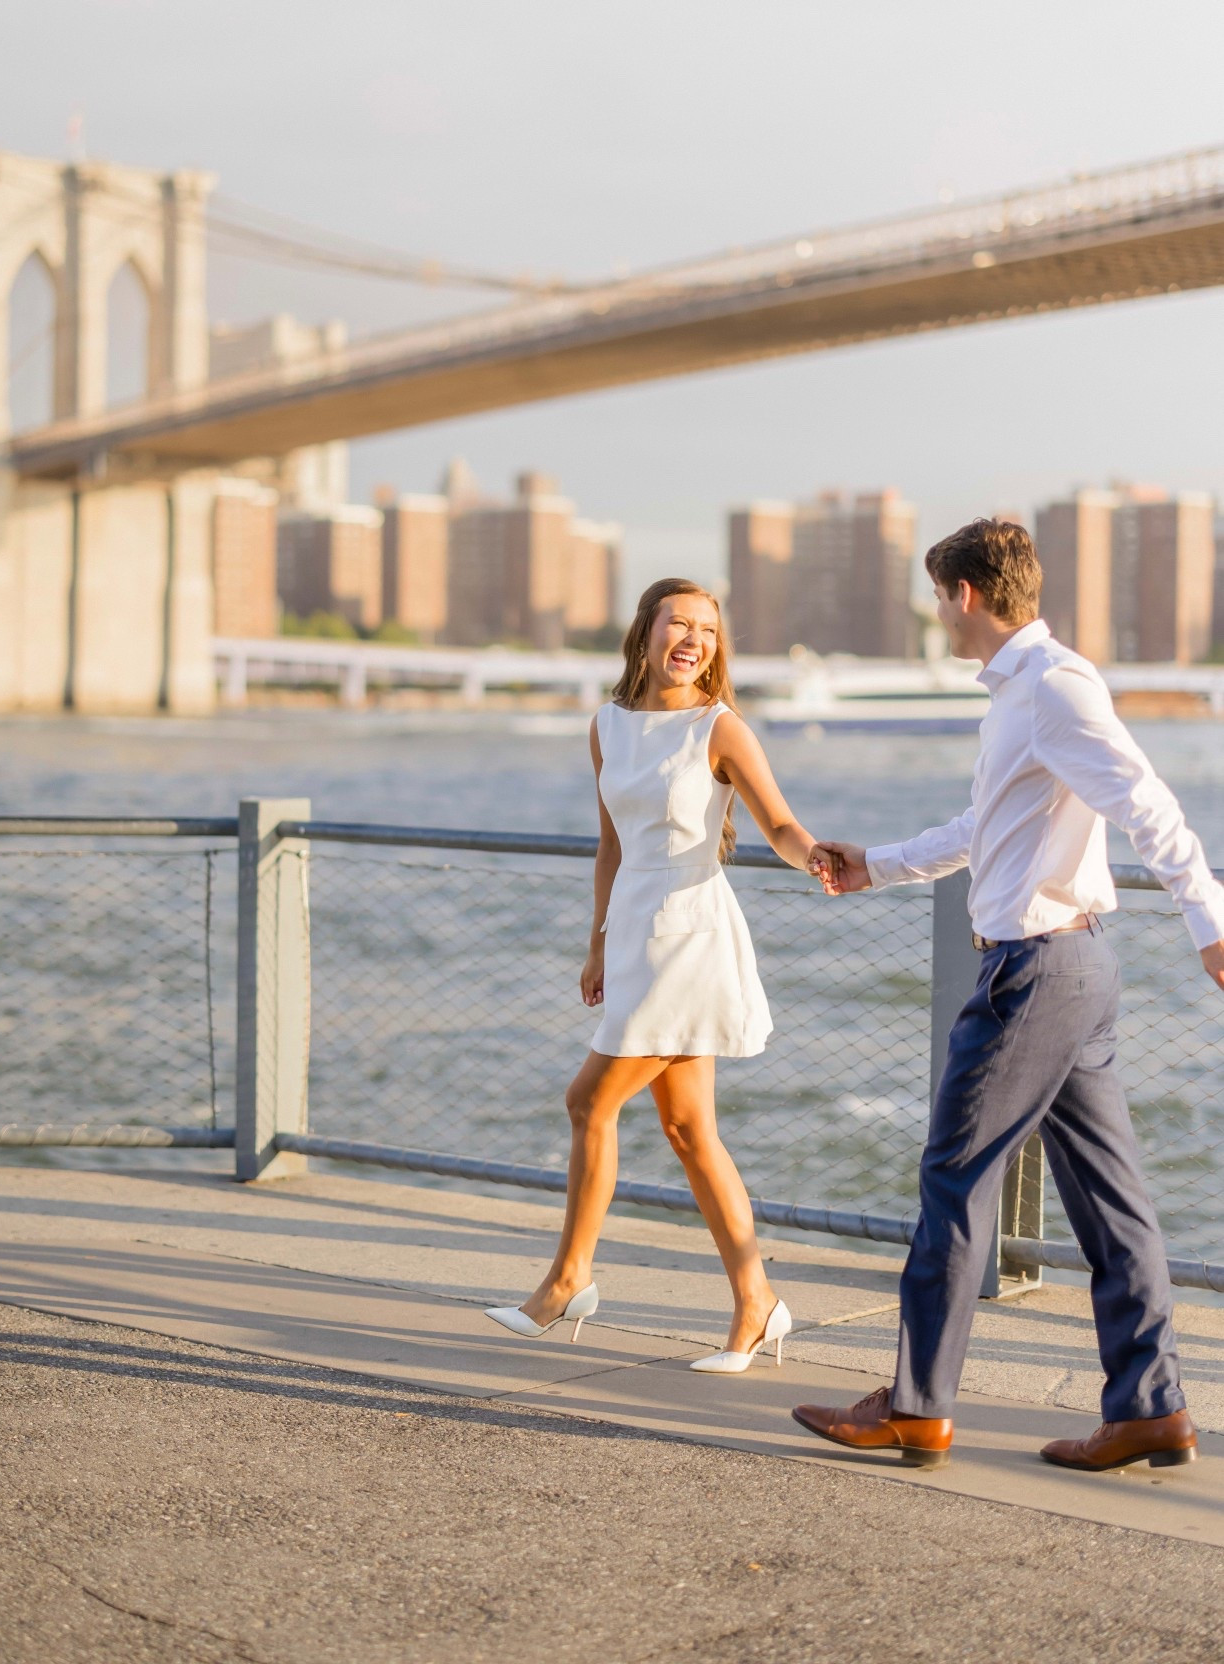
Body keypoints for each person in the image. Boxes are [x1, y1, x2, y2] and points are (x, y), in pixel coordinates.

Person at [795, 518, 1224, 1471]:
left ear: (964, 595)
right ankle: (1151, 1407)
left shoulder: (1055, 686)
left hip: (1033, 971)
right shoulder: (1024, 696)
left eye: (937, 598)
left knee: (954, 1178)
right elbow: (984, 826)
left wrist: (1210, 921)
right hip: (1069, 966)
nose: (938, 616)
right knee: (1110, 1198)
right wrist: (880, 867)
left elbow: (1145, 802)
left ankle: (916, 1405)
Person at [484, 577, 835, 1370]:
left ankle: (569, 1280)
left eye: (708, 630)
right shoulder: (607, 726)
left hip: (692, 939)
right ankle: (759, 1303)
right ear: (644, 633)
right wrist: (598, 941)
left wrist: (813, 854)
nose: (694, 640)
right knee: (687, 1131)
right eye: (679, 623)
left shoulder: (720, 728)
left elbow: (777, 822)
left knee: (587, 1101)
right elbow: (612, 846)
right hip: (637, 936)